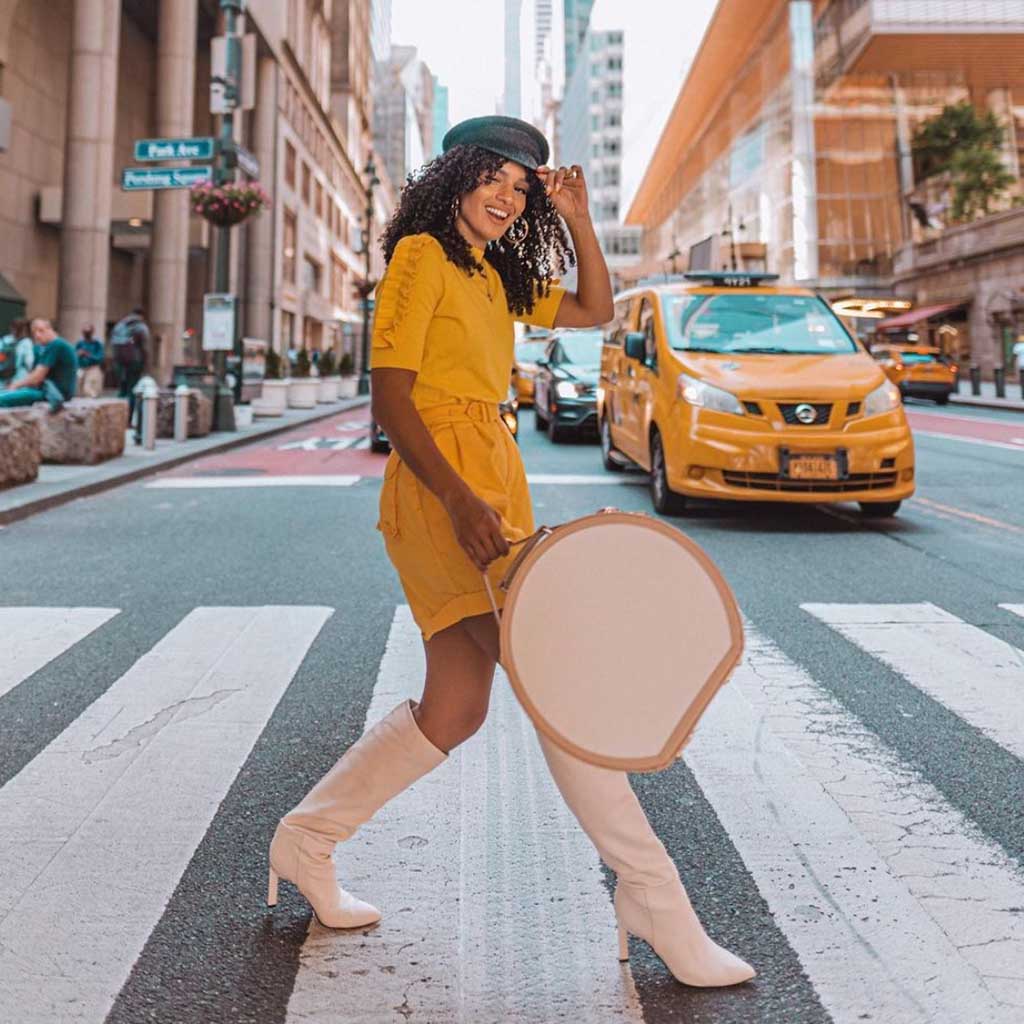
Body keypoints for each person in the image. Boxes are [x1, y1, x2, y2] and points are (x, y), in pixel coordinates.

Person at [267, 116, 755, 989]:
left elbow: (596, 311)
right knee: (558, 677)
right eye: (493, 175)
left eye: (522, 187)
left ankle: (305, 841)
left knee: (456, 709)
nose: (507, 194)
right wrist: (457, 499)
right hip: (441, 490)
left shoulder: (491, 274)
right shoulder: (419, 256)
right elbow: (390, 396)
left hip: (491, 481)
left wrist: (577, 218)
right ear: (454, 176)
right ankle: (654, 898)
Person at [0, 317, 77, 410]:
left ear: (50, 328)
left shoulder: (56, 345)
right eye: (34, 332)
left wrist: (16, 385)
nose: (37, 335)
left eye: (41, 330)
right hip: (45, 390)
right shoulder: (43, 347)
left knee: (3, 399)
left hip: (54, 394)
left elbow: (37, 377)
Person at [111, 307, 149, 420]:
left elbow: (113, 344)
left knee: (122, 390)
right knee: (132, 390)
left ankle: (118, 418)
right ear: (141, 315)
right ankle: (127, 419)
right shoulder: (141, 326)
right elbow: (145, 347)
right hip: (135, 362)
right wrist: (145, 362)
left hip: (119, 362)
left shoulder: (119, 325)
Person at [0, 318, 36, 384]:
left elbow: (1, 358)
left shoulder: (3, 340)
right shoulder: (26, 342)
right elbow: (29, 363)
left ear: (11, 328)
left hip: (2, 378)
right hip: (19, 379)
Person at [75, 324, 105, 398]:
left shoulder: (97, 344)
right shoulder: (80, 343)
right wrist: (78, 354)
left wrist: (88, 355)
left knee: (89, 389)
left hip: (93, 368)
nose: (86, 334)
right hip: (81, 368)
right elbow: (74, 354)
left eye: (88, 332)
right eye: (85, 332)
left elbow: (99, 358)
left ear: (92, 332)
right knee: (78, 389)